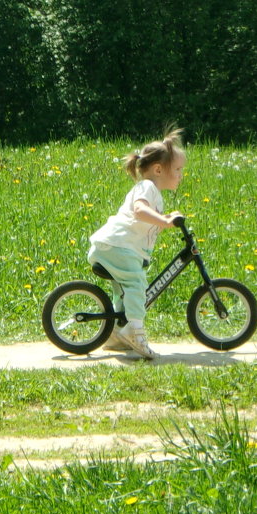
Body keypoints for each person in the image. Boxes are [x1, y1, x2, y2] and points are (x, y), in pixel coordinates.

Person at [87, 128, 186, 359]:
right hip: (117, 246)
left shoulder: (152, 190)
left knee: (123, 293)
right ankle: (135, 332)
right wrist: (164, 220)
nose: (181, 175)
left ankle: (114, 335)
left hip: (112, 246)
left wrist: (167, 216)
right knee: (136, 284)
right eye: (178, 169)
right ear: (158, 169)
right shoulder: (147, 187)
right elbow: (140, 210)